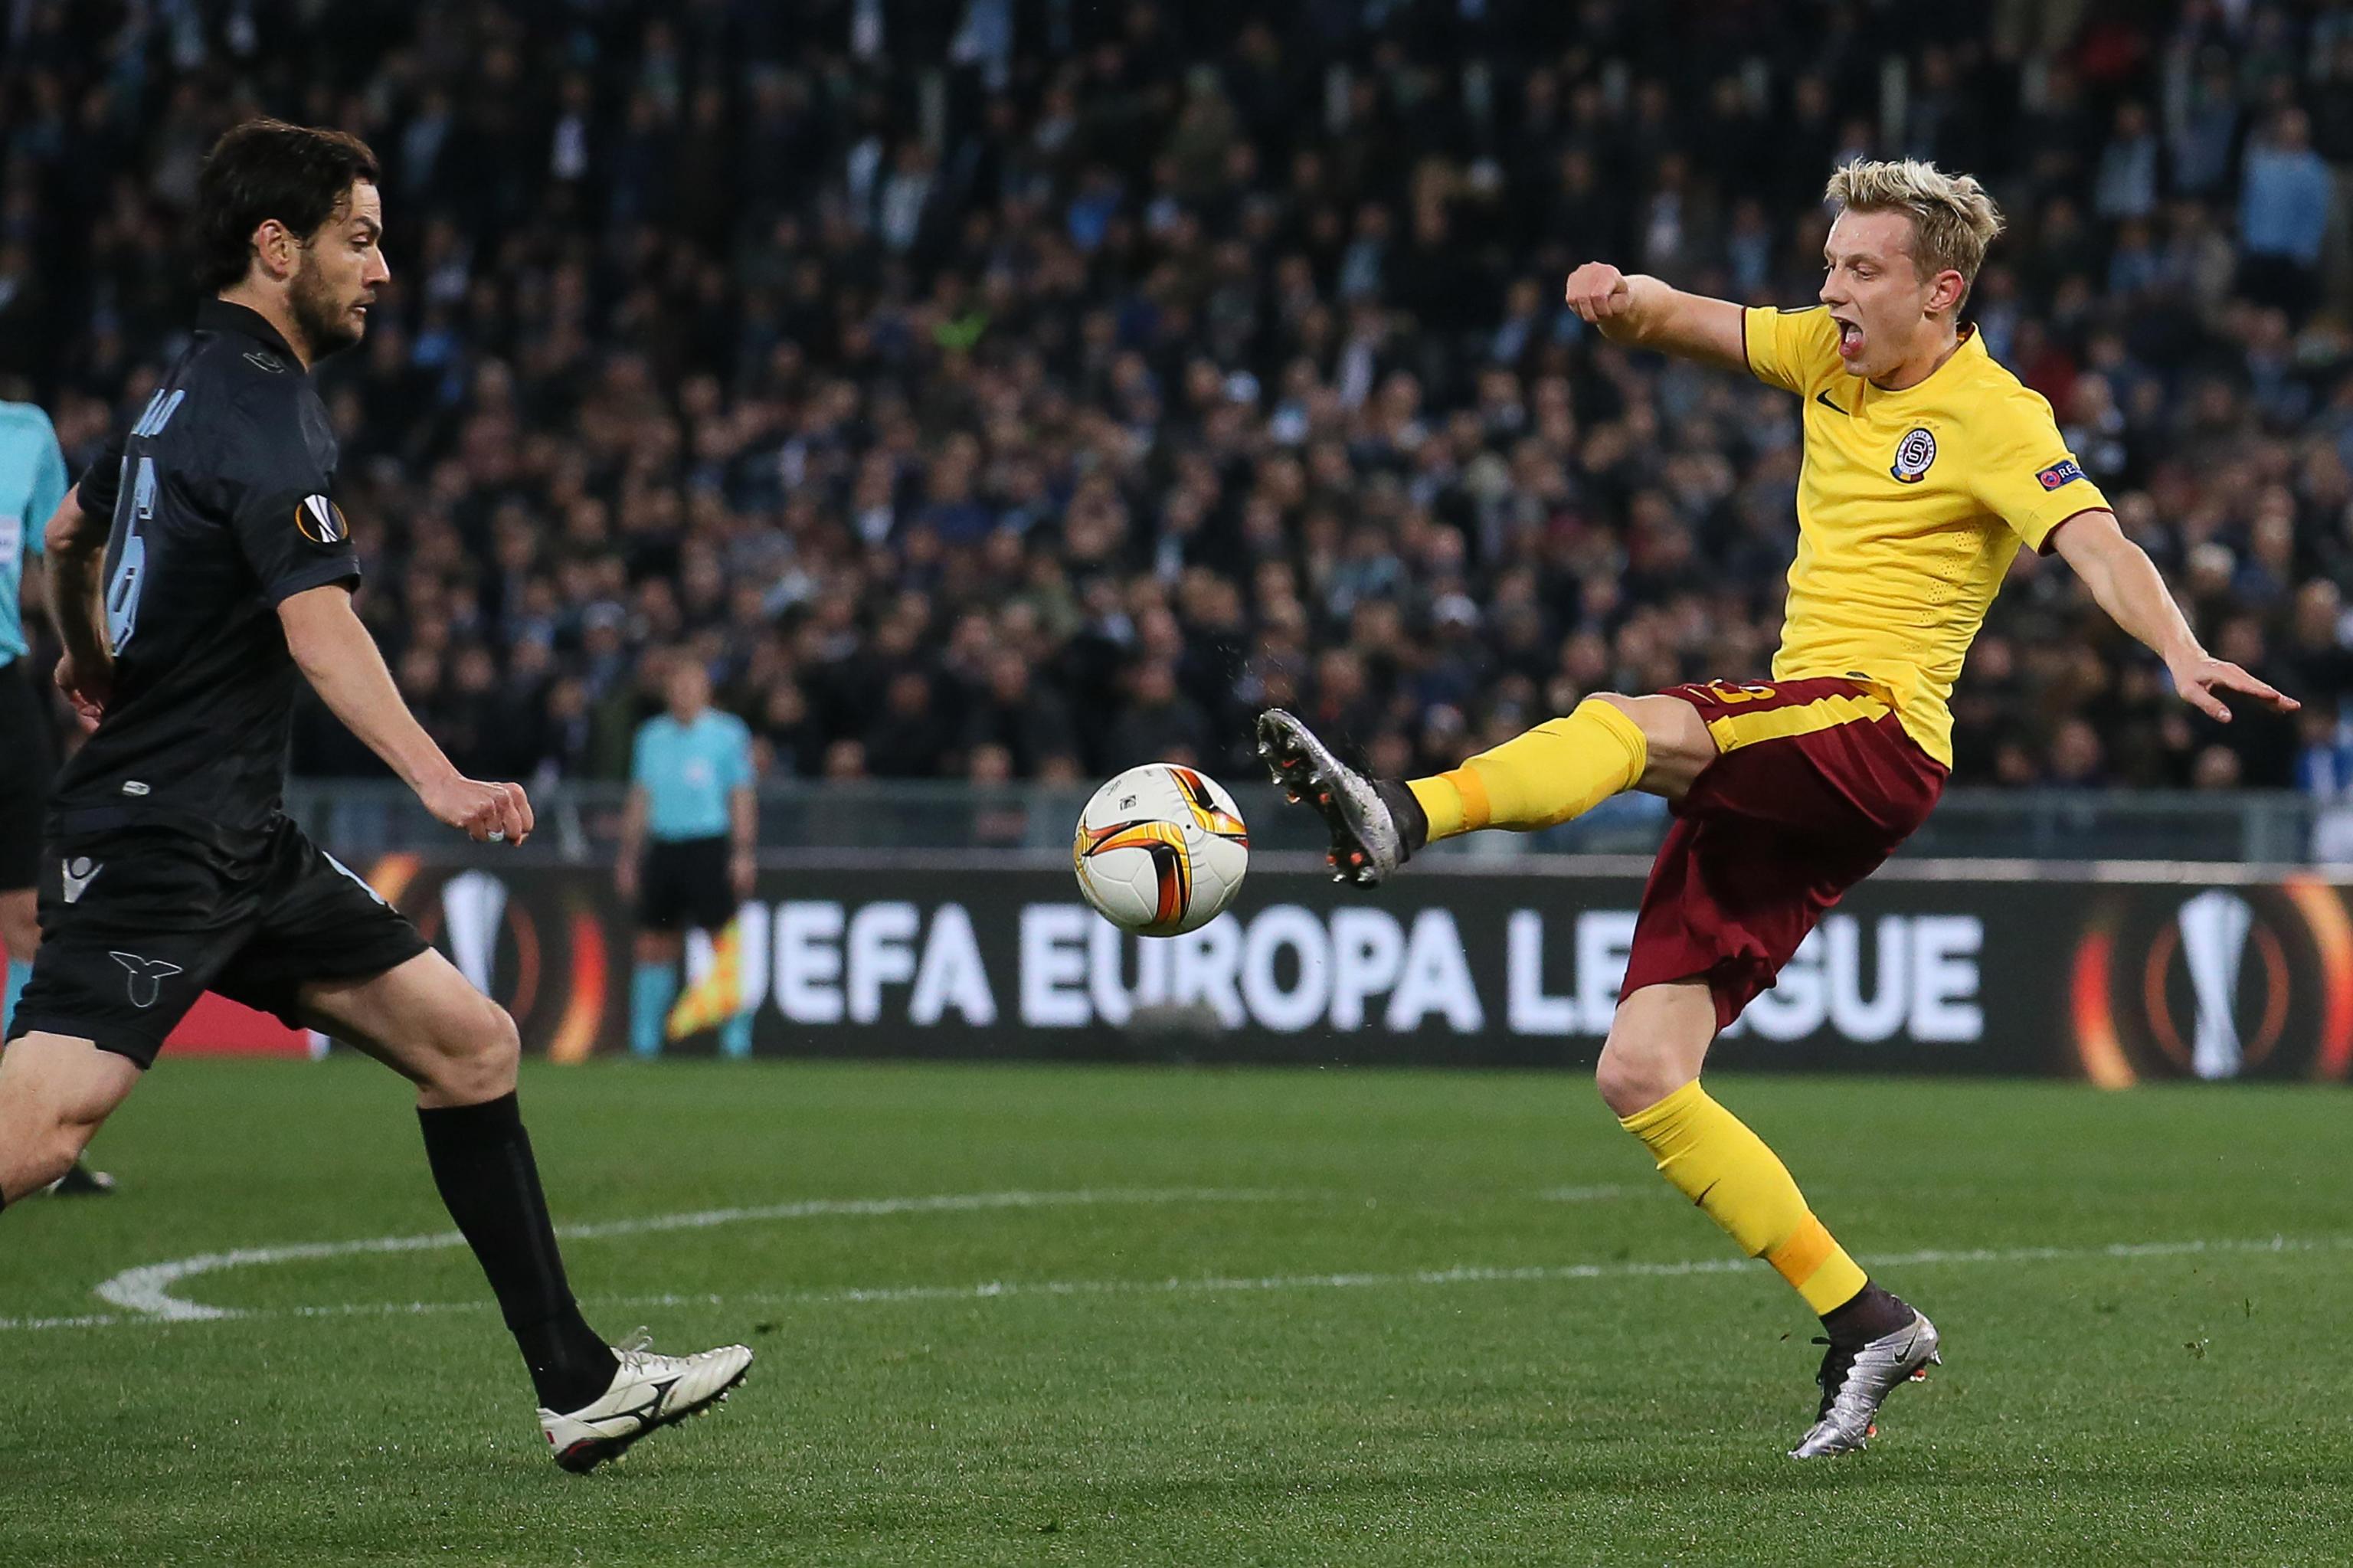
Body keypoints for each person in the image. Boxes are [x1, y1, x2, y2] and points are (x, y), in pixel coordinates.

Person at [1259, 159, 2297, 1459]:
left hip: (1874, 730)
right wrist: (1617, 296)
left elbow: (2099, 542)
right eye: (1828, 265)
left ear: (1941, 291)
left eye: (1861, 269)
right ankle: (1867, 1318)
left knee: (1628, 721)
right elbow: (1684, 319)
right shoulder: (1824, 353)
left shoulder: (1997, 413)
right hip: (1803, 744)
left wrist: (2178, 647)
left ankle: (1402, 814)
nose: (1832, 289)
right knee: (1642, 1072)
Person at [0, 119, 749, 1471]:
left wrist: (88, 653)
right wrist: (440, 777)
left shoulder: (176, 396)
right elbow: (319, 625)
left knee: (473, 1044)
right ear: (274, 247)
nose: (384, 268)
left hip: (236, 835)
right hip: (161, 834)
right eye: (359, 237)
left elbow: (65, 539)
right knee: (43, 1133)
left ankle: (579, 1383)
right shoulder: (265, 408)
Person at [0, 396, 113, 1196]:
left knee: (30, 919)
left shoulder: (27, 433)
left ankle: (22, 1132)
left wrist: (95, 656)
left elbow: (61, 557)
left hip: (6, 695)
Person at [618, 656, 758, 1058]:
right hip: (664, 847)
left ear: (705, 690)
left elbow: (741, 794)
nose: (683, 693)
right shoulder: (651, 736)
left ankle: (736, 1040)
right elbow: (641, 797)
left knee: (722, 942)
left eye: (691, 685)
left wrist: (743, 852)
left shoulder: (728, 734)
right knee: (653, 942)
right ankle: (644, 1043)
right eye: (677, 686)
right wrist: (628, 855)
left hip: (708, 845)